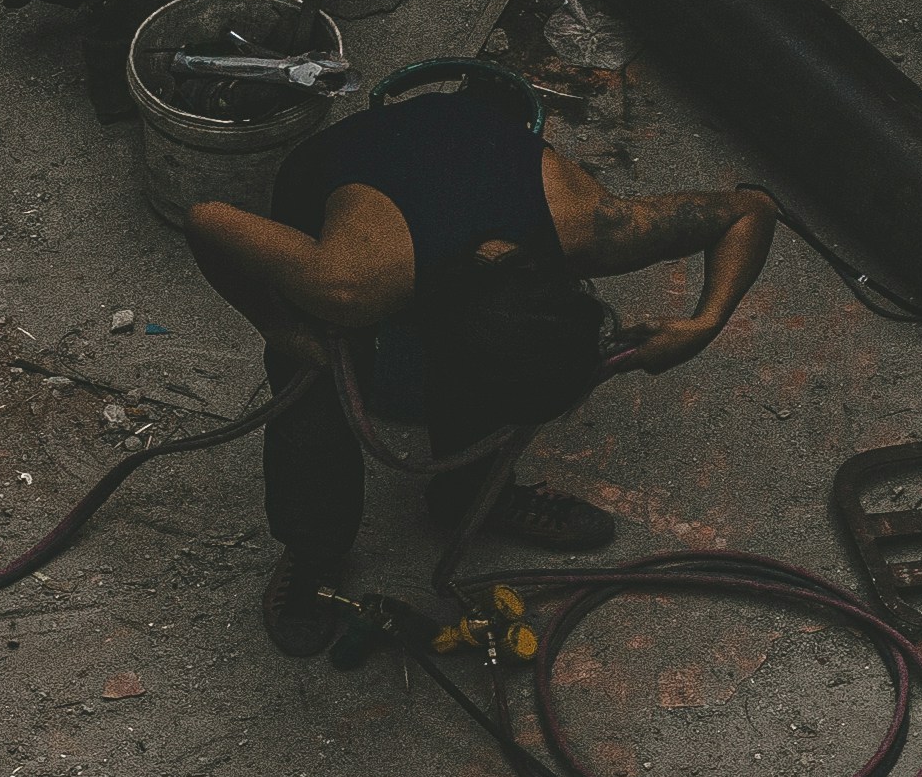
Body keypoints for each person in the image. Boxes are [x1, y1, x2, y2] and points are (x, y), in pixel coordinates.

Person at [186, 60, 771, 656]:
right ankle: (314, 550)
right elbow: (208, 219)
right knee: (313, 385)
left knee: (499, 371)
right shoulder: (353, 281)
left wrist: (705, 322)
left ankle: (469, 497)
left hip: (463, 144)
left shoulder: (594, 226)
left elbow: (751, 210)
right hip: (343, 194)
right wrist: (277, 325)